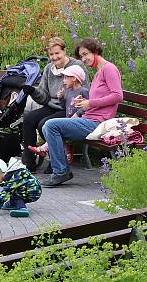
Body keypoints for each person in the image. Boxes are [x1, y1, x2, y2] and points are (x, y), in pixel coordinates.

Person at [39, 38, 123, 187]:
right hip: (88, 117)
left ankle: (61, 172)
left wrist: (90, 103)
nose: (84, 59)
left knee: (50, 125)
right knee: (48, 125)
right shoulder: (98, 72)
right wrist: (82, 104)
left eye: (86, 54)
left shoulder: (109, 69)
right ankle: (61, 170)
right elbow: (98, 98)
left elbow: (118, 96)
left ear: (95, 51)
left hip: (98, 123)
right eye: (81, 56)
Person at [20, 37, 87, 171]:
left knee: (44, 123)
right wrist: (33, 91)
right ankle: (30, 161)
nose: (55, 57)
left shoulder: (76, 66)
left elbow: (85, 91)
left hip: (69, 107)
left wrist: (67, 95)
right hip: (51, 106)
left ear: (64, 51)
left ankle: (56, 159)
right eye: (51, 54)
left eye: (57, 53)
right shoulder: (48, 69)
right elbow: (43, 97)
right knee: (28, 119)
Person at [27, 65, 90, 159]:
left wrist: (78, 113)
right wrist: (61, 98)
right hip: (68, 119)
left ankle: (45, 149)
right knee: (54, 129)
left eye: (65, 78)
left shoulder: (83, 91)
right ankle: (51, 150)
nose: (63, 81)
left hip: (79, 121)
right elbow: (64, 106)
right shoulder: (68, 91)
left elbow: (88, 107)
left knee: (55, 129)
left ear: (74, 78)